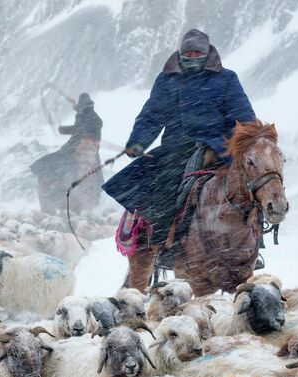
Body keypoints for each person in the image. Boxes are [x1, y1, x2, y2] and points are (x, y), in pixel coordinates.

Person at [102, 29, 256, 285]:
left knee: (251, 187)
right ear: (181, 53)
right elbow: (152, 115)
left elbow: (243, 117)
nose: (192, 57)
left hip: (219, 149)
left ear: (207, 55)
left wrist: (232, 144)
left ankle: (251, 245)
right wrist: (138, 140)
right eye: (188, 53)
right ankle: (163, 242)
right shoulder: (168, 80)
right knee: (160, 186)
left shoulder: (226, 79)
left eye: (197, 53)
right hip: (177, 148)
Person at [31, 93, 103, 215]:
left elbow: (88, 132)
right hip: (71, 148)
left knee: (80, 176)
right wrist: (65, 130)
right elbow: (78, 127)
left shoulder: (94, 119)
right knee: (47, 166)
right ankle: (54, 207)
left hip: (83, 150)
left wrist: (80, 135)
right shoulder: (83, 115)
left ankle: (79, 209)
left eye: (81, 107)